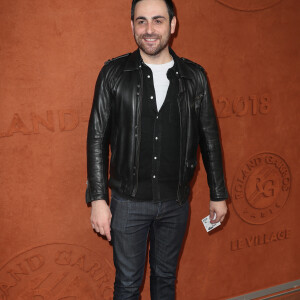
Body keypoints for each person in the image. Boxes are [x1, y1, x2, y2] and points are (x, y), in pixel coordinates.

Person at [86, 0, 228, 299]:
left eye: (158, 20)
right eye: (141, 21)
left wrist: (218, 195)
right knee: (127, 285)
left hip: (176, 204)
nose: (149, 29)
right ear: (132, 26)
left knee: (165, 280)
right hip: (127, 203)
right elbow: (97, 138)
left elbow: (210, 140)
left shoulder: (194, 77)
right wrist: (99, 198)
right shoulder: (113, 74)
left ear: (172, 25)